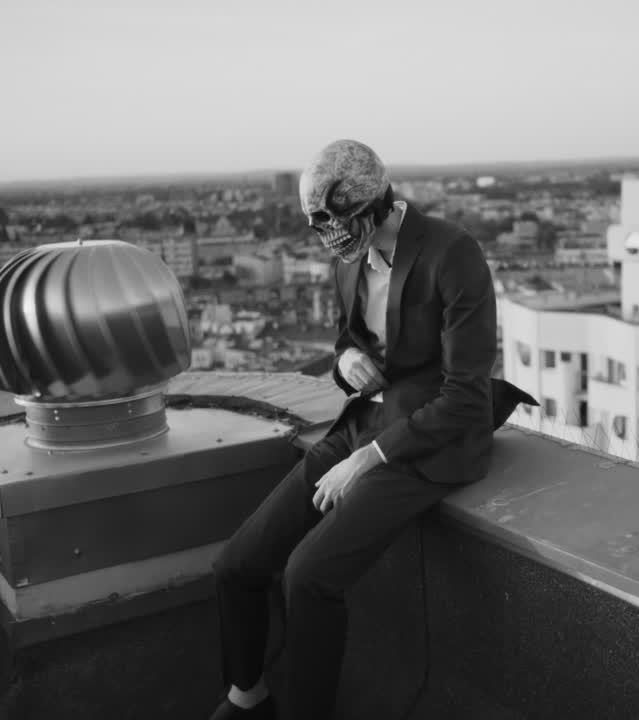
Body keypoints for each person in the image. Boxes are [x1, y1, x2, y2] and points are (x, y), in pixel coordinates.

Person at [209, 139, 532, 720]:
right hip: (363, 423)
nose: (328, 234)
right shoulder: (348, 260)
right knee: (238, 562)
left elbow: (465, 396)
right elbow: (347, 342)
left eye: (336, 219)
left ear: (375, 203)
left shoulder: (451, 253)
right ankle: (247, 695)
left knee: (308, 577)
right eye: (318, 224)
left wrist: (367, 459)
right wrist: (344, 363)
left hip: (428, 443)